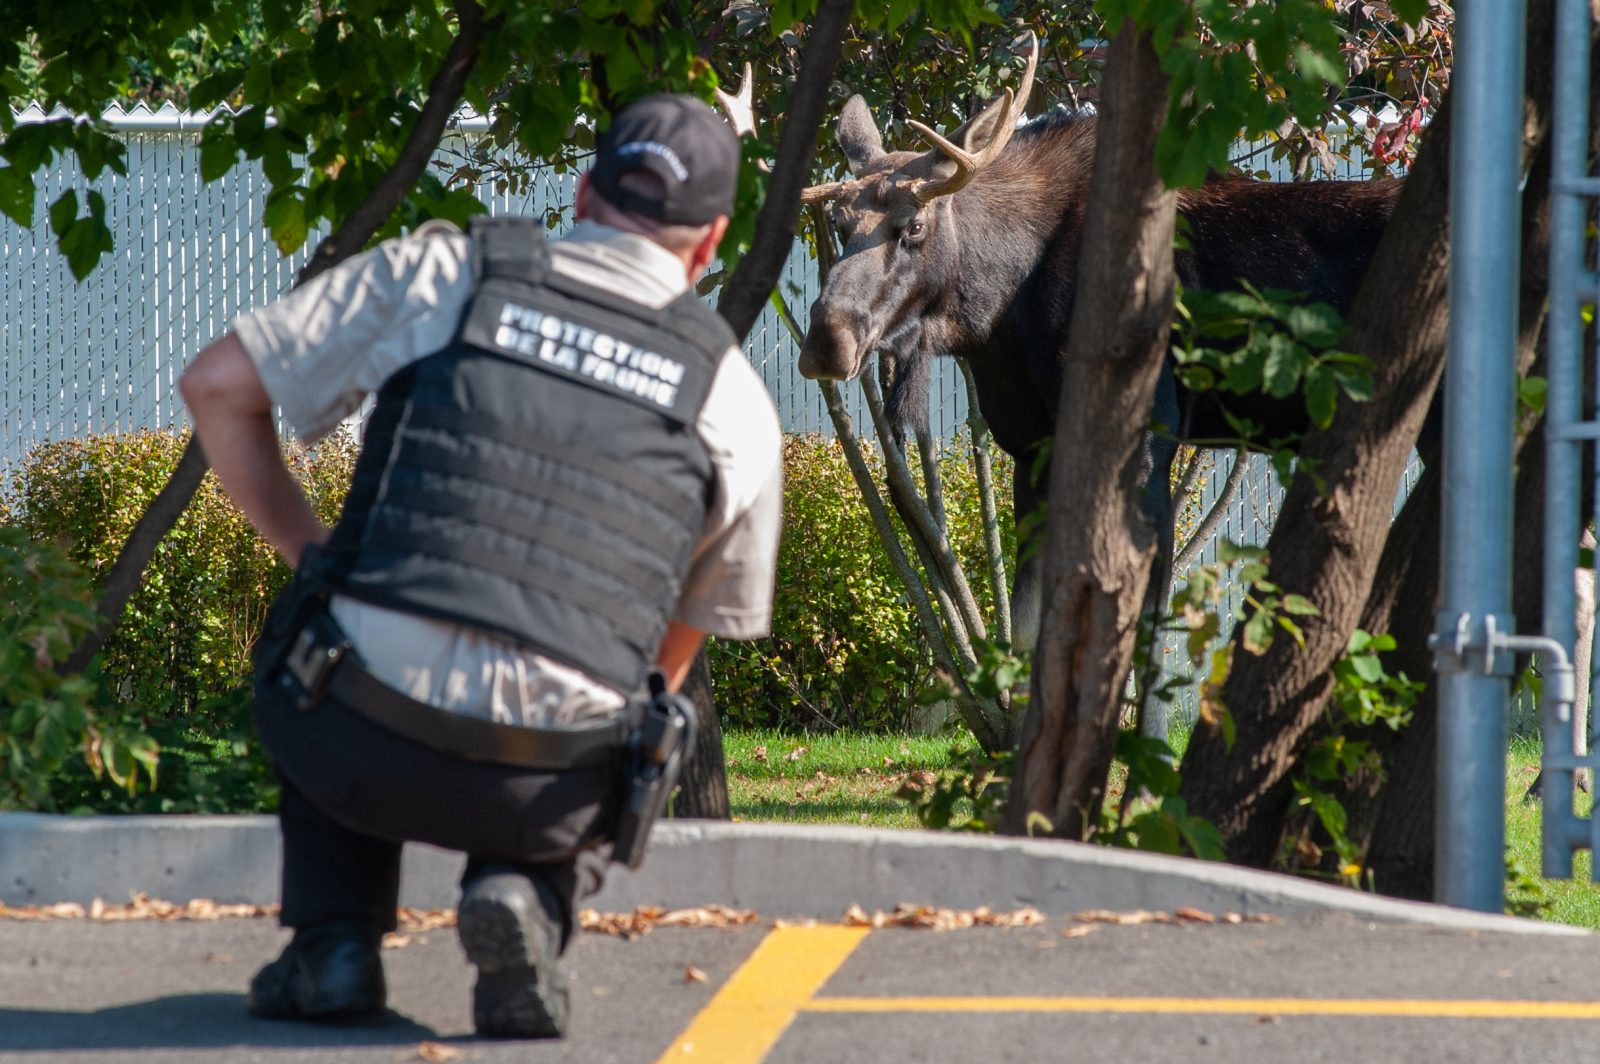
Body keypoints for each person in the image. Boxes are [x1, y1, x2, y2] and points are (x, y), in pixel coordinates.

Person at [179, 93, 781, 1040]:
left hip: (357, 739)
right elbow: (691, 629)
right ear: (708, 245)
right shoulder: (734, 397)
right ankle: (529, 897)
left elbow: (215, 387)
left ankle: (333, 947)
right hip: (551, 787)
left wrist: (314, 559)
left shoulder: (447, 271)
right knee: (647, 712)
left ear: (582, 194)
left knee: (316, 615)